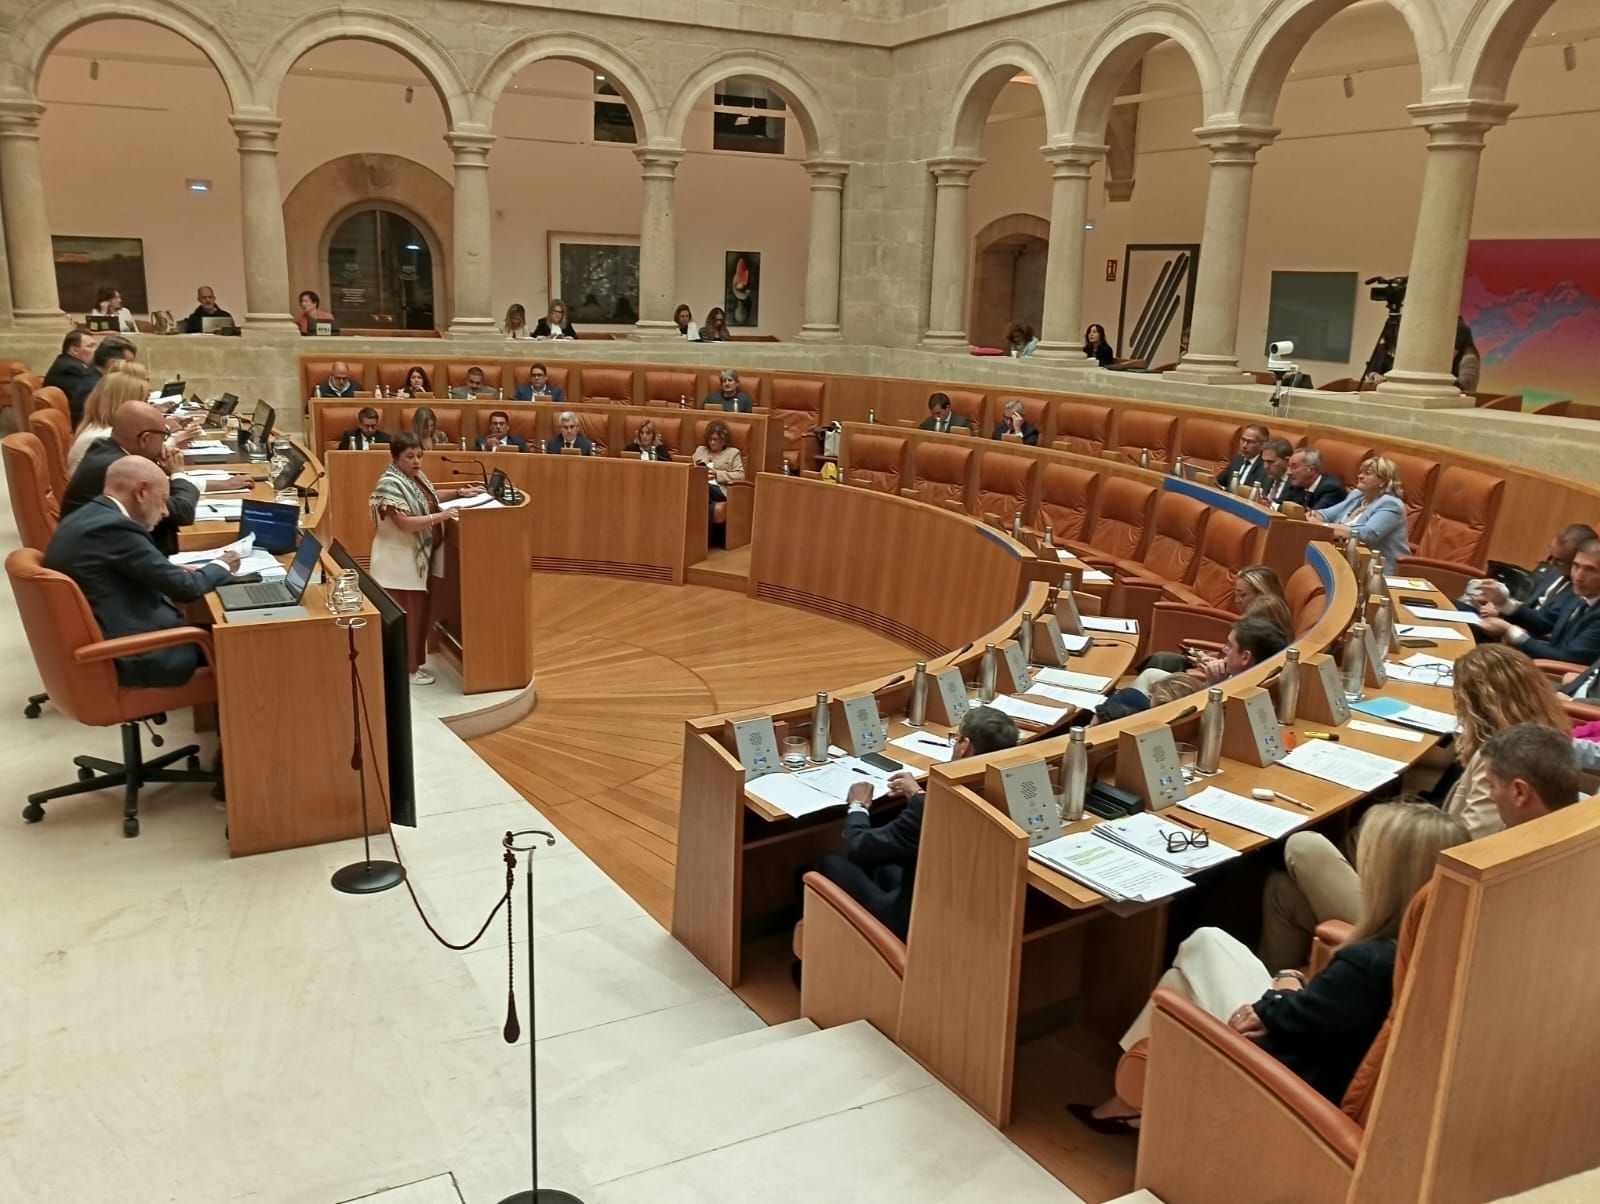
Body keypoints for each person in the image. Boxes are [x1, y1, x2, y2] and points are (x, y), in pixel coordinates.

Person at [1074, 802, 1468, 1131]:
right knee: (1185, 974)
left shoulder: (1368, 964)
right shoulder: (1442, 947)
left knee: (1201, 946)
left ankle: (1133, 1095)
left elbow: (1293, 1020)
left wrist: (1284, 984)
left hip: (1281, 1084)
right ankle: (1136, 1099)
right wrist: (1286, 993)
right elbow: (1318, 1015)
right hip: (1310, 1060)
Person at [1259, 645, 1571, 969]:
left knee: (1304, 846)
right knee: (1281, 891)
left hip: (1415, 914)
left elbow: (1459, 850)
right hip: (1420, 891)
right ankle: (1282, 986)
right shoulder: (1542, 750)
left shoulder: (1502, 766)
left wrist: (1391, 835)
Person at [815, 706, 1020, 940]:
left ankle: (825, 953)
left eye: (956, 739)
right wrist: (917, 794)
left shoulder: (932, 811)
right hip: (960, 911)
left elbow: (857, 846)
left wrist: (858, 805)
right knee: (881, 865)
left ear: (966, 747)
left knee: (827, 863)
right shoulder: (1005, 797)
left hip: (909, 923)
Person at [43, 457, 240, 688]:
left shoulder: (92, 514)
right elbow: (185, 588)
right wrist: (223, 564)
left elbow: (117, 568)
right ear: (141, 492)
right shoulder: (114, 528)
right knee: (243, 642)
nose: (165, 512)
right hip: (135, 653)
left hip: (110, 635)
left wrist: (168, 570)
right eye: (163, 500)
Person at [367, 433, 484, 685]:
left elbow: (430, 498)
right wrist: (441, 517)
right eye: (410, 456)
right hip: (396, 564)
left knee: (417, 615)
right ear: (396, 457)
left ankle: (411, 665)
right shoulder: (389, 484)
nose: (416, 461)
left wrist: (459, 492)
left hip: (414, 561)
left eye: (419, 455)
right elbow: (404, 523)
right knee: (407, 618)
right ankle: (407, 671)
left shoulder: (414, 478)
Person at [63, 401, 249, 555]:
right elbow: (183, 512)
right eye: (164, 437)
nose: (165, 443)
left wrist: (161, 469)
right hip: (110, 560)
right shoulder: (121, 468)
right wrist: (177, 472)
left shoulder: (105, 448)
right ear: (145, 439)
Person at [1476, 535, 1600, 664]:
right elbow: (1543, 622)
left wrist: (1511, 631)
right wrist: (1503, 602)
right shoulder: (1579, 595)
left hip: (1555, 671)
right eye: (1576, 566)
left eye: (1590, 570)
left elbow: (1567, 658)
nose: (1578, 576)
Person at [1129, 614, 1289, 696]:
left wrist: (1213, 684)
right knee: (1151, 674)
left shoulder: (1246, 689)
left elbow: (1202, 714)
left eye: (1230, 646)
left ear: (1245, 657)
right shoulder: (1250, 671)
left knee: (1132, 697)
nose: (1224, 650)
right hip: (1206, 692)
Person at [1464, 522, 1595, 614]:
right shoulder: (1554, 571)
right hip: (1508, 622)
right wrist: (1498, 602)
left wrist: (1506, 621)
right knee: (1459, 608)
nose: (1551, 564)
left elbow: (1547, 626)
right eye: (1551, 555)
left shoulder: (1581, 592)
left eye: (1559, 561)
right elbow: (1529, 605)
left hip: (1521, 638)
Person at [69, 372, 183, 474]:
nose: (149, 406)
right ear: (126, 403)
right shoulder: (102, 437)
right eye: (144, 401)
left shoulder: (100, 429)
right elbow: (138, 470)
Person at [1309, 455, 1410, 565]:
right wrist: (1312, 515)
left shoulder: (1390, 504)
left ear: (1384, 481)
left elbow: (1366, 534)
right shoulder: (1357, 495)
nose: (1360, 476)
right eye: (1361, 472)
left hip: (1377, 568)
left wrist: (1323, 526)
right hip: (1346, 559)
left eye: (1367, 473)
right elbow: (1326, 514)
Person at [67, 335, 137, 427]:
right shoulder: (94, 388)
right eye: (128, 364)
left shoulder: (97, 377)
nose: (132, 368)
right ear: (112, 364)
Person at [692, 419, 744, 535]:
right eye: (710, 439)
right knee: (699, 489)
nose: (712, 442)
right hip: (701, 487)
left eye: (715, 439)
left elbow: (740, 475)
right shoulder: (700, 450)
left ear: (724, 440)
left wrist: (718, 473)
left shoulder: (733, 453)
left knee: (703, 487)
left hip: (719, 489)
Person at [1279, 447, 1346, 512]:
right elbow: (1280, 505)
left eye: (1294, 467)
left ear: (1311, 469)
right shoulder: (1298, 485)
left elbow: (1314, 516)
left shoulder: (1332, 489)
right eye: (1289, 467)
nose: (1288, 472)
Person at [44, 330, 99, 405]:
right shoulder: (70, 369)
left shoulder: (66, 362)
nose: (96, 350)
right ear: (75, 351)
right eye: (90, 346)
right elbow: (90, 400)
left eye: (96, 346)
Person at [1216, 424, 1270, 491]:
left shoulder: (1266, 468)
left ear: (1263, 445)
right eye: (1243, 440)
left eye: (1250, 442)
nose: (1244, 445)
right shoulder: (1238, 460)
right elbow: (1218, 482)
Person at [1258, 438, 1294, 504]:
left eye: (1270, 462)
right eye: (1264, 461)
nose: (1265, 466)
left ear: (1287, 461)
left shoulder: (1295, 483)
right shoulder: (1264, 475)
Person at [1452, 317, 1481, 394]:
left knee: (1464, 392)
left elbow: (1450, 356)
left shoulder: (1460, 328)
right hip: (1464, 362)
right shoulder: (1458, 327)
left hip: (1466, 362)